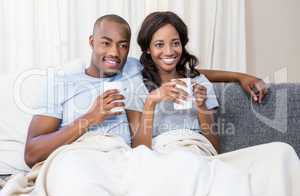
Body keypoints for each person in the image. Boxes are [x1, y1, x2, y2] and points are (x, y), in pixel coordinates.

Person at [24, 14, 267, 168]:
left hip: (124, 161)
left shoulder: (132, 69)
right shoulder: (61, 82)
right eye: (105, 43)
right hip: (81, 156)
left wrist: (239, 76)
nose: (114, 53)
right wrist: (90, 118)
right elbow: (32, 154)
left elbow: (181, 70)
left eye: (122, 46)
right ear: (91, 42)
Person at [125, 11, 300, 196]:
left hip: (202, 154)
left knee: (281, 152)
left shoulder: (198, 81)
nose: (169, 51)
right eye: (159, 44)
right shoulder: (136, 83)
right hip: (165, 155)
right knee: (186, 162)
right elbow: (138, 150)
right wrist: (152, 101)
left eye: (175, 43)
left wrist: (202, 108)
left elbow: (214, 147)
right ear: (148, 49)